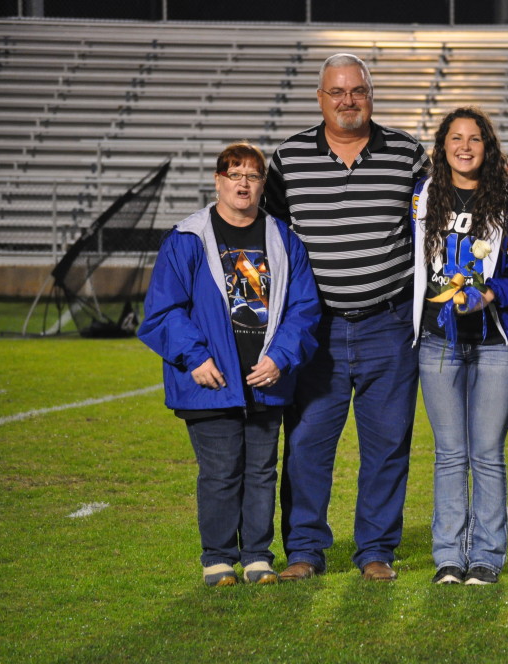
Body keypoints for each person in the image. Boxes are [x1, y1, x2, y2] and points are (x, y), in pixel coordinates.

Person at [264, 53, 429, 582]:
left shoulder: (407, 154)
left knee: (387, 444)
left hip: (389, 320)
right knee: (308, 443)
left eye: (356, 90)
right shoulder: (288, 158)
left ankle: (376, 550)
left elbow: (437, 226)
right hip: (317, 329)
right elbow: (268, 241)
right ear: (320, 98)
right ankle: (305, 551)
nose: (347, 100)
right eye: (336, 92)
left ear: (370, 94)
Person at [138, 142, 321, 587]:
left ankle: (258, 555)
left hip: (265, 378)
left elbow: (305, 309)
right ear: (218, 181)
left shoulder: (283, 239)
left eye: (252, 175)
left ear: (263, 185)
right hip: (211, 380)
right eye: (234, 173)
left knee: (261, 472)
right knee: (220, 471)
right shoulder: (188, 238)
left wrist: (280, 357)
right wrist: (194, 357)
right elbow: (163, 310)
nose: (243, 182)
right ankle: (218, 558)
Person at [411, 107, 508, 586]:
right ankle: (448, 556)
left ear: (489, 147)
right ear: (442, 145)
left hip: (494, 344)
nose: (465, 147)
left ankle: (485, 556)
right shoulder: (421, 198)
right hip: (438, 341)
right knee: (448, 454)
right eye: (456, 138)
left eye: (475, 139)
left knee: (486, 452)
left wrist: (488, 294)